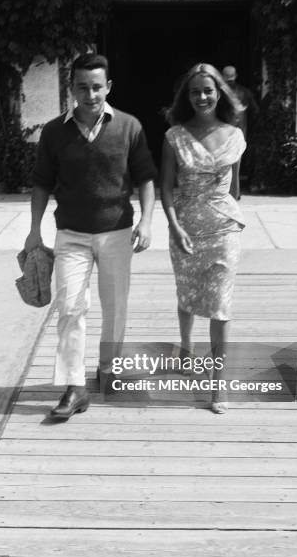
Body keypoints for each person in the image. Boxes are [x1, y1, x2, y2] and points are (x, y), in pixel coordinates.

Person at [24, 53, 157, 419]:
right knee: (69, 309)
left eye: (97, 86)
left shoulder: (129, 126)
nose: (90, 94)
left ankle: (109, 369)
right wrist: (34, 232)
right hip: (71, 234)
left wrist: (146, 221)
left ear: (108, 87)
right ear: (71, 89)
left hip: (116, 233)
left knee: (115, 307)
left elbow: (146, 178)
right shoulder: (53, 132)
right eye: (82, 86)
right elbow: (40, 185)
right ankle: (74, 386)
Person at [161, 63, 246, 414]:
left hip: (223, 228)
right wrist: (174, 225)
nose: (202, 97)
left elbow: (236, 189)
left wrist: (228, 215)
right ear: (187, 96)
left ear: (219, 93)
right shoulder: (174, 136)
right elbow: (166, 186)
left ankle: (217, 383)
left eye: (208, 90)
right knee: (188, 291)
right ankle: (185, 345)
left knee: (220, 305)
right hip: (185, 227)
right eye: (195, 91)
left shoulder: (235, 135)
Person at [222, 65, 259, 198]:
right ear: (236, 76)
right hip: (239, 133)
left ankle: (229, 193)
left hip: (224, 134)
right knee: (236, 165)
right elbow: (256, 111)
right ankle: (235, 193)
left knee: (226, 165)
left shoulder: (219, 93)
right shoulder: (245, 92)